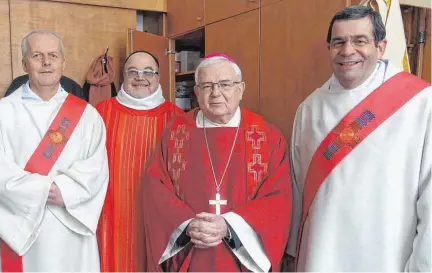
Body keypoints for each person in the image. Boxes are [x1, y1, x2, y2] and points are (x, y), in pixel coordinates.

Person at [289, 6, 431, 271]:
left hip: (388, 257)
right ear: (328, 48)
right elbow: (297, 190)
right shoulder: (309, 109)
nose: (347, 51)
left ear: (381, 46)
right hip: (322, 254)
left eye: (360, 40)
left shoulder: (419, 102)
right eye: (338, 42)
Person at [139, 53, 292, 272]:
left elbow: (278, 198)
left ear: (240, 89)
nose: (216, 93)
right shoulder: (175, 133)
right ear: (196, 92)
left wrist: (229, 226)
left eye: (225, 84)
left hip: (241, 258)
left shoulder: (267, 137)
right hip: (189, 250)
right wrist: (187, 225)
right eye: (207, 86)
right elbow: (156, 190)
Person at [0, 29, 109, 272]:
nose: (46, 62)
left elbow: (96, 169)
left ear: (63, 62)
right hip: (18, 228)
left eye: (53, 56)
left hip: (70, 227)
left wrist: (66, 192)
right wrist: (44, 191)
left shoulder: (88, 116)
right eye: (37, 55)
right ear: (24, 63)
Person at [96, 50, 183, 272]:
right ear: (123, 76)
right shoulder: (99, 114)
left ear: (158, 77)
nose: (140, 77)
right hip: (110, 214)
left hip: (158, 214)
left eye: (148, 72)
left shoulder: (177, 119)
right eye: (132, 71)